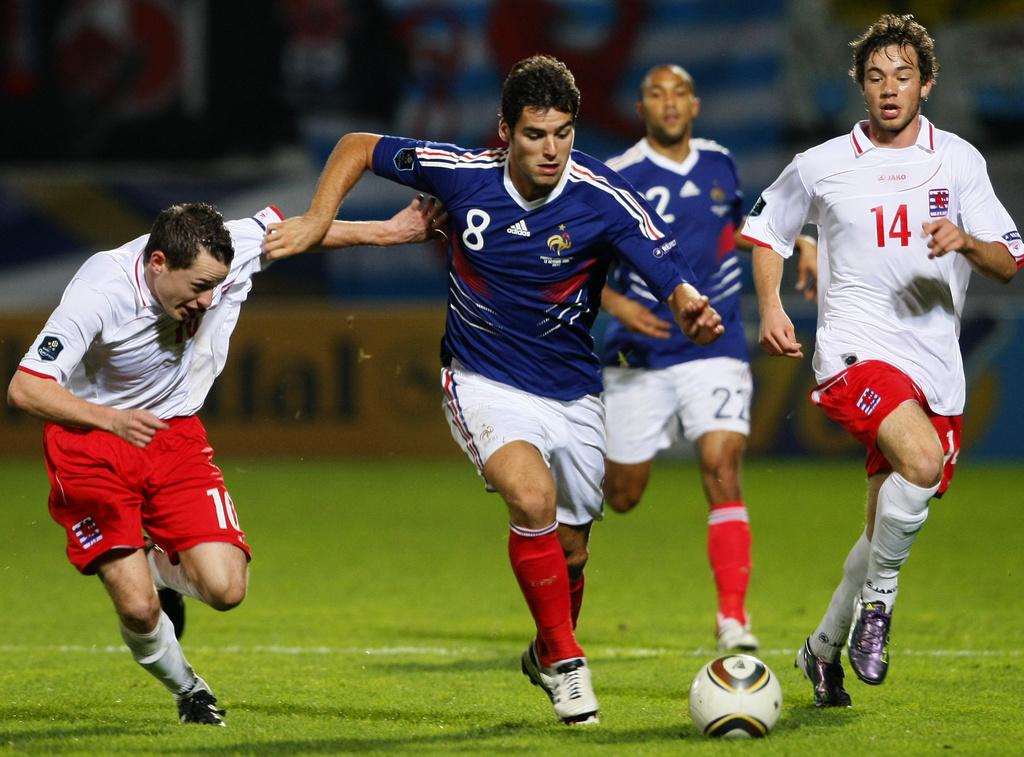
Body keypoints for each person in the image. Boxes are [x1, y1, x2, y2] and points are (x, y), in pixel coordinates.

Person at [262, 54, 724, 725]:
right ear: (504, 131)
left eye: (563, 133)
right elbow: (357, 147)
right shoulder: (462, 173)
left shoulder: (599, 195)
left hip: (572, 391)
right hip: (481, 378)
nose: (551, 149)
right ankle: (568, 662)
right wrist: (313, 218)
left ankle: (544, 646)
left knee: (572, 551)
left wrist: (686, 302)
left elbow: (662, 260)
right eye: (535, 134)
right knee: (530, 495)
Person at [7, 198, 443, 725]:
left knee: (226, 589)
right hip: (90, 444)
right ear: (159, 262)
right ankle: (190, 690)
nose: (208, 300)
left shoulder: (221, 248)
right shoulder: (99, 293)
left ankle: (161, 575)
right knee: (138, 609)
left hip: (173, 436)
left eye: (216, 285)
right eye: (197, 288)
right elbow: (26, 389)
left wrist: (388, 230)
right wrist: (110, 419)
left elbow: (294, 232)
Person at [742, 14, 1022, 707]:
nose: (889, 88)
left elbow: (1010, 260)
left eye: (902, 75)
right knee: (921, 465)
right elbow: (766, 230)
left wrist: (963, 241)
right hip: (853, 353)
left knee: (877, 533)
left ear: (926, 82)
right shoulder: (822, 162)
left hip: (934, 367)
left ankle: (820, 650)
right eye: (875, 77)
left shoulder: (957, 159)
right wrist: (773, 308)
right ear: (860, 88)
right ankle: (880, 609)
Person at [600, 64, 818, 653]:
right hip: (639, 350)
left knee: (722, 465)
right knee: (622, 496)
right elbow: (578, 258)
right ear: (641, 107)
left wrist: (800, 240)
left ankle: (732, 619)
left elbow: (748, 226)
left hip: (714, 344)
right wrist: (617, 304)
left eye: (679, 94)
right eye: (655, 95)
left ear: (694, 106)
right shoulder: (617, 175)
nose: (668, 104)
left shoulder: (720, 162)